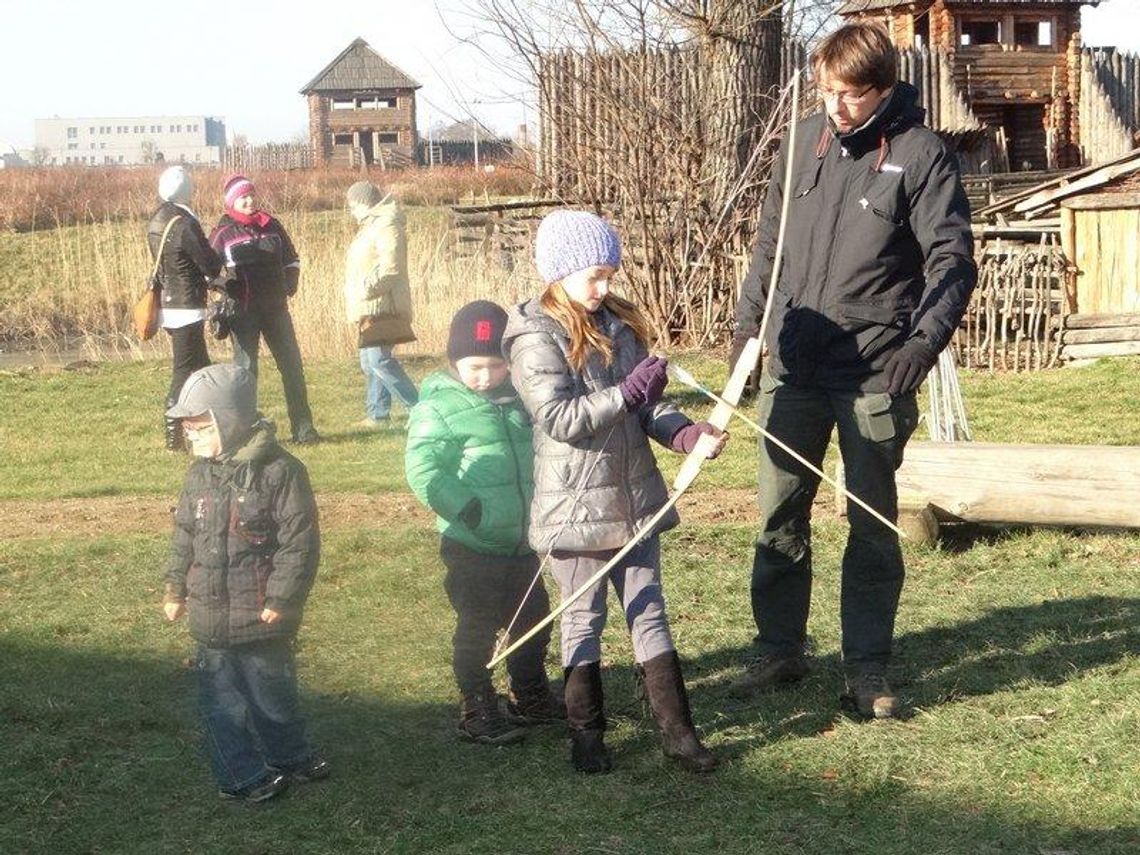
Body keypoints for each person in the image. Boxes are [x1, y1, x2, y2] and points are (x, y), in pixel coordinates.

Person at [727, 23, 977, 717]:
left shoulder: (923, 156)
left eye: (852, 95)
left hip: (873, 373)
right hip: (796, 365)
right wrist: (750, 331)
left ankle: (866, 668)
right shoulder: (802, 141)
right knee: (779, 513)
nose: (838, 107)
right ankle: (778, 647)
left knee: (870, 523)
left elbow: (953, 262)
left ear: (885, 88)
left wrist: (918, 349)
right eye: (828, 91)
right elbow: (769, 245)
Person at [502, 210, 728, 774]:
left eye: (609, 274)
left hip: (636, 500)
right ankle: (587, 737)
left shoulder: (618, 325)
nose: (604, 288)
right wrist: (628, 395)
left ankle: (679, 733)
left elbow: (645, 403)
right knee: (584, 620)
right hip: (574, 509)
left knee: (650, 612)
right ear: (559, 273)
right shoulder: (534, 336)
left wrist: (683, 431)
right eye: (593, 276)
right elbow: (559, 417)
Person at [162, 363, 326, 803]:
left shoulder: (282, 473)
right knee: (222, 705)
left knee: (274, 693)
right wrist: (175, 587)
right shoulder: (198, 475)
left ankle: (289, 756)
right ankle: (241, 776)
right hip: (209, 616)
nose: (191, 438)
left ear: (228, 420)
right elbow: (184, 535)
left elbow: (299, 543)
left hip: (261, 614)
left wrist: (282, 597)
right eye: (188, 430)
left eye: (199, 428)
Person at [405, 300, 564, 746]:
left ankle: (529, 692)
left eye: (496, 366)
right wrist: (466, 508)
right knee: (476, 624)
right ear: (454, 362)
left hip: (523, 542)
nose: (485, 376)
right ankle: (476, 703)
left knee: (532, 618)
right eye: (474, 366)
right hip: (472, 543)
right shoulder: (436, 409)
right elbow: (424, 470)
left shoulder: (520, 404)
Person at [209, 175, 320, 444]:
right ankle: (246, 431)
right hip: (243, 312)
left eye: (251, 195)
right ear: (232, 202)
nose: (249, 201)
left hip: (276, 310)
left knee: (292, 367)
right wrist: (226, 286)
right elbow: (207, 272)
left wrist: (290, 283)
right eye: (242, 197)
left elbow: (292, 259)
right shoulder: (222, 233)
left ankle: (304, 430)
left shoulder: (273, 226)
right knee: (246, 372)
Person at [146, 165, 223, 451]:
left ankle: (210, 424)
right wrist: (219, 272)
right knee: (183, 370)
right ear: (185, 189)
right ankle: (173, 438)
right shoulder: (184, 223)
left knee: (202, 368)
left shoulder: (157, 219)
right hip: (187, 304)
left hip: (169, 302)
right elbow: (206, 262)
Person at [344, 180, 419, 428]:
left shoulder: (387, 225)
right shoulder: (370, 226)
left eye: (354, 205)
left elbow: (391, 267)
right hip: (369, 305)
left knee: (379, 360)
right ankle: (378, 414)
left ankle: (419, 408)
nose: (351, 210)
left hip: (382, 304)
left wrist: (367, 288)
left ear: (365, 203)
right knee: (370, 362)